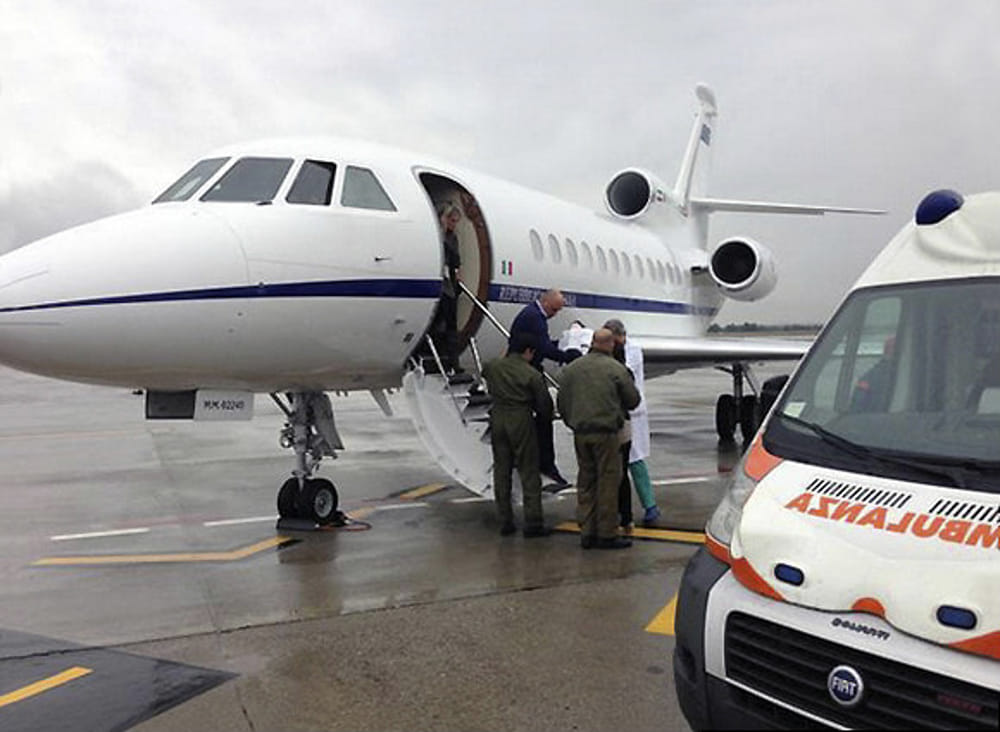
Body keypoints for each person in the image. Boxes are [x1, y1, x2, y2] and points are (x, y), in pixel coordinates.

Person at [557, 328, 641, 550]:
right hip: (606, 434)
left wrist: (572, 422)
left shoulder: (572, 369)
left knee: (586, 481)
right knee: (608, 481)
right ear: (611, 345)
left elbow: (562, 402)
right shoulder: (616, 369)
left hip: (581, 433)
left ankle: (587, 532)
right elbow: (633, 400)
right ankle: (606, 534)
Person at [481, 332, 555, 538]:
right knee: (528, 471)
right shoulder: (530, 374)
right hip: (520, 419)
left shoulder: (493, 367)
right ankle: (533, 522)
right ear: (529, 351)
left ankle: (505, 520)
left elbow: (485, 370)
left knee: (501, 470)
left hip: (498, 418)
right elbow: (544, 407)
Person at [508, 288, 580, 487]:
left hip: (525, 370)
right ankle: (546, 465)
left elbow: (543, 344)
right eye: (555, 310)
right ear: (546, 303)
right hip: (527, 372)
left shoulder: (532, 314)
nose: (555, 314)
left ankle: (542, 463)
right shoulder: (534, 318)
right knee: (544, 412)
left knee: (537, 415)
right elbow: (544, 348)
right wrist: (568, 356)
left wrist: (560, 346)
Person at [604, 319, 661, 527]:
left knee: (634, 461)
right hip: (615, 413)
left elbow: (623, 373)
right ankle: (619, 509)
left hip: (631, 413)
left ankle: (650, 506)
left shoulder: (633, 350)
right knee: (617, 464)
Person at [431, 201, 463, 373]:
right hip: (439, 282)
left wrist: (457, 273)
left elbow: (456, 260)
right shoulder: (436, 236)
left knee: (450, 322)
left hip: (449, 283)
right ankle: (438, 352)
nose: (454, 224)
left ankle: (453, 360)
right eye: (452, 220)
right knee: (440, 319)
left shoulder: (453, 237)